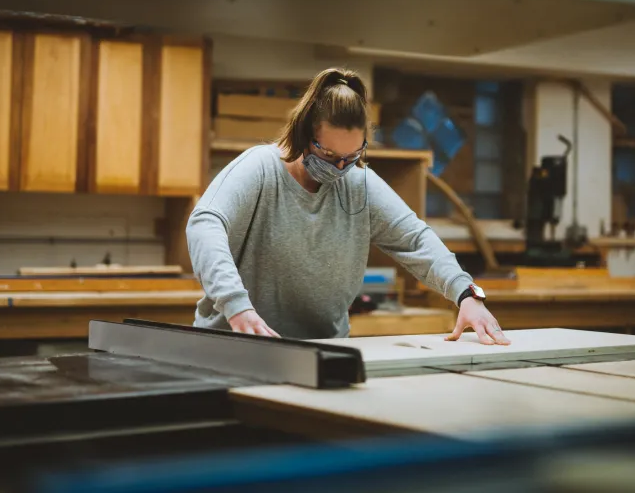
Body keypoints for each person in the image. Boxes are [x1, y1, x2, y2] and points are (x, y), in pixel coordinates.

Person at [187, 67, 510, 345]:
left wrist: (467, 294)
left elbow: (415, 240)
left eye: (351, 157)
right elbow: (205, 224)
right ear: (303, 135)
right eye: (329, 155)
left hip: (321, 348)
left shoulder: (358, 183)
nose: (340, 167)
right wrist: (235, 304)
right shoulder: (260, 168)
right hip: (237, 343)